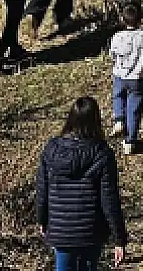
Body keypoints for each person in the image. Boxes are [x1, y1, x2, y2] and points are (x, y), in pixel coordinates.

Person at [35, 97, 128, 269]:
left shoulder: (51, 149)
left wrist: (42, 219)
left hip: (60, 229)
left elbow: (42, 190)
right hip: (90, 232)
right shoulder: (102, 153)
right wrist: (119, 238)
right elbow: (110, 200)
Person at [106, 3, 143, 156]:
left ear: (122, 19)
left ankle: (119, 120)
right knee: (134, 108)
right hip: (137, 78)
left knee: (117, 96)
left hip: (119, 75)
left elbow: (112, 55)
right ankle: (130, 141)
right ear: (140, 20)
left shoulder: (117, 36)